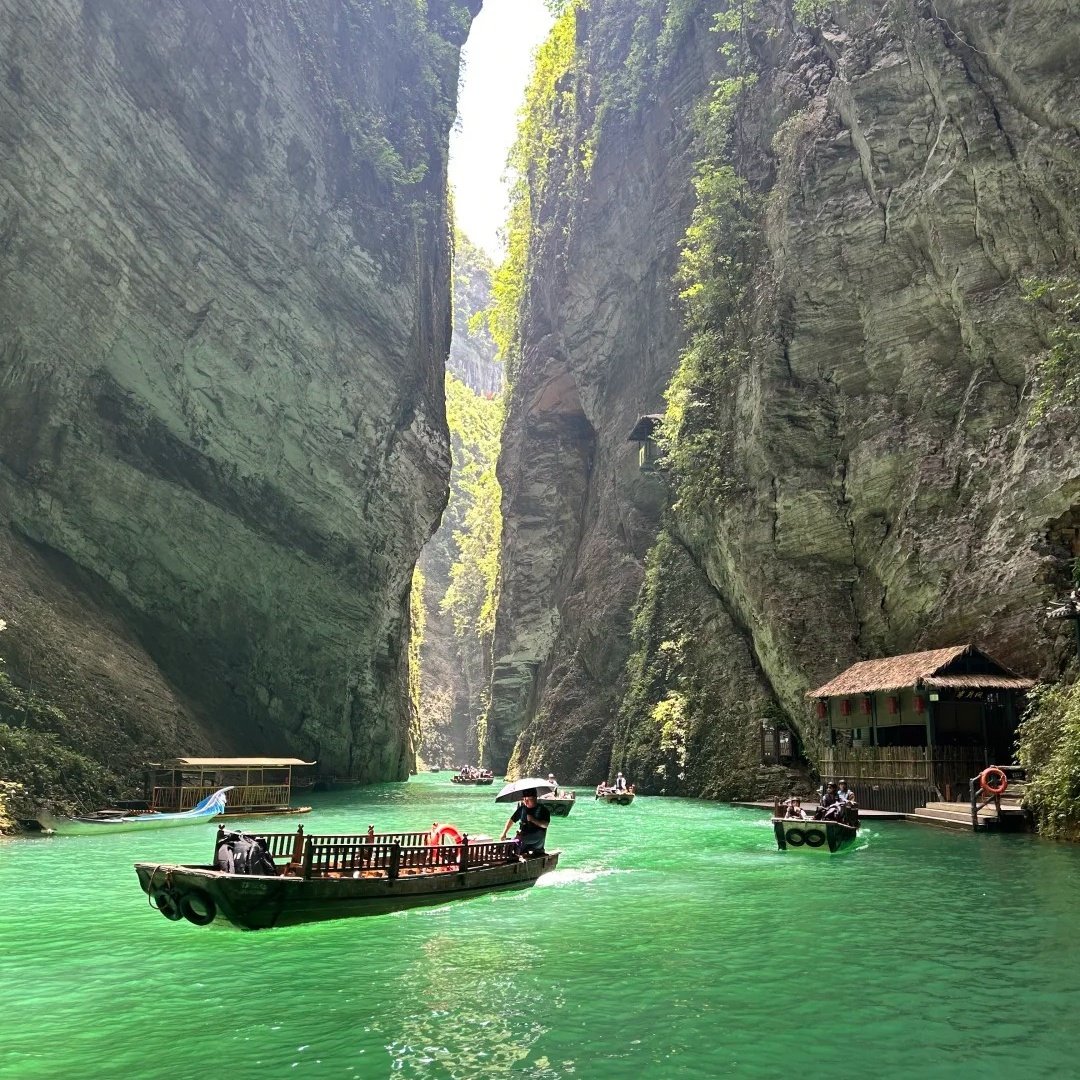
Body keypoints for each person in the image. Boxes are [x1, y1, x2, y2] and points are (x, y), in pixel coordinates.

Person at [499, 789, 550, 856]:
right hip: (523, 837)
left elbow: (545, 825)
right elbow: (511, 820)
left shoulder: (543, 809)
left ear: (535, 798)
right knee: (507, 844)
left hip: (536, 839)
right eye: (524, 799)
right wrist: (504, 833)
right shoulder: (522, 809)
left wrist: (533, 820)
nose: (526, 801)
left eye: (528, 799)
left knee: (517, 842)